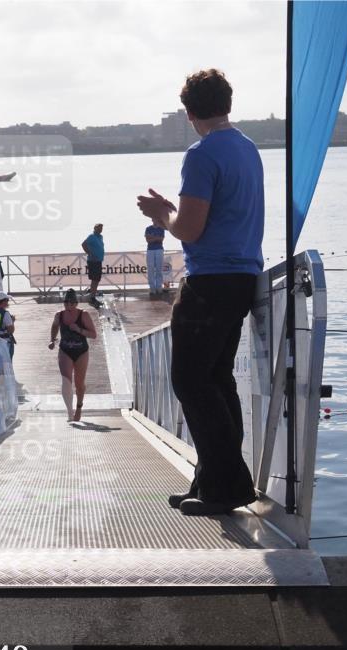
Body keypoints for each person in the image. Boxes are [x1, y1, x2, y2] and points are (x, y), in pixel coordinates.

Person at [135, 68, 263, 517]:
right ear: (227, 102)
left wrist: (161, 215)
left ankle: (227, 487)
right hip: (243, 277)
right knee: (217, 380)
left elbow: (189, 228)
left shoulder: (202, 154)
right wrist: (174, 212)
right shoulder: (247, 149)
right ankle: (214, 480)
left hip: (209, 280)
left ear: (189, 112)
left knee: (190, 381)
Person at [48, 289, 97, 422]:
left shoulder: (84, 315)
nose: (68, 305)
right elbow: (54, 326)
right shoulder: (59, 315)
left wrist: (79, 330)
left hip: (81, 351)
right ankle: (70, 412)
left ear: (76, 303)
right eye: (65, 303)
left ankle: (79, 407)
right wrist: (52, 340)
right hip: (65, 350)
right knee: (66, 381)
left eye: (70, 303)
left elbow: (93, 335)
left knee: (79, 383)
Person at [81, 223, 105, 307]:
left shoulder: (100, 237)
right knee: (95, 279)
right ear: (95, 228)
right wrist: (89, 253)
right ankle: (92, 298)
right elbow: (83, 244)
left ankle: (92, 296)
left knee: (96, 279)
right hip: (93, 261)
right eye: (98, 228)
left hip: (98, 261)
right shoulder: (91, 236)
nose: (100, 229)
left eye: (101, 228)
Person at [145, 222, 166, 295]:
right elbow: (148, 240)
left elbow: (161, 239)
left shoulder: (161, 229)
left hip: (159, 249)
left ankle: (159, 287)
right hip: (150, 250)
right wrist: (156, 238)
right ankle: (152, 288)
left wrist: (153, 237)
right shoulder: (148, 228)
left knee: (159, 269)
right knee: (150, 269)